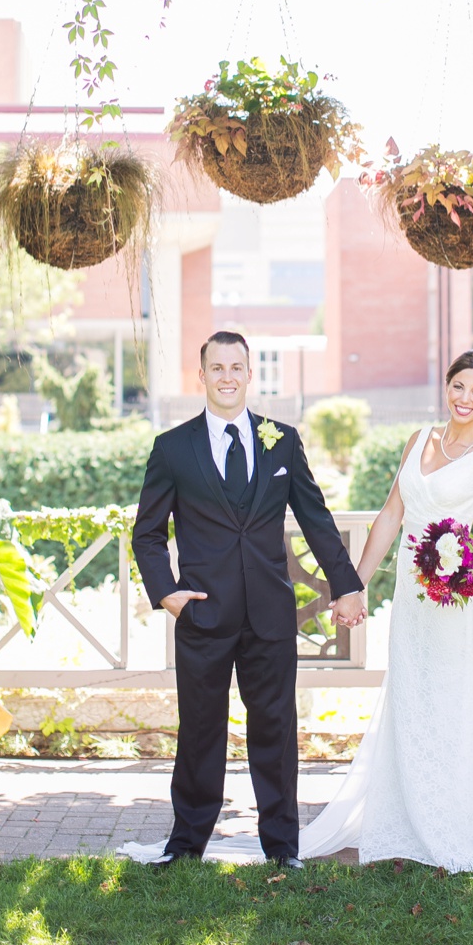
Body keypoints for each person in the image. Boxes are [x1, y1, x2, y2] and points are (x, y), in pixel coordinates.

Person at [298, 348, 473, 871]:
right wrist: (353, 585)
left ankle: (450, 826)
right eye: (458, 386)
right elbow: (390, 516)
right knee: (410, 695)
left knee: (449, 703)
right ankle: (403, 820)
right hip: (409, 593)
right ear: (446, 388)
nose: (465, 399)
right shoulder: (418, 441)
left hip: (454, 600)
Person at [125, 331, 367, 869]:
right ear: (202, 375)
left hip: (269, 615)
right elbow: (147, 533)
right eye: (217, 368)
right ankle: (185, 847)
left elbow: (316, 518)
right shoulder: (172, 448)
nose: (227, 377)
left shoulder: (282, 438)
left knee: (276, 732)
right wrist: (168, 594)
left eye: (237, 367)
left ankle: (283, 850)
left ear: (250, 375)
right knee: (200, 732)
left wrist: (347, 583)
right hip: (203, 614)